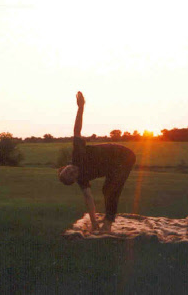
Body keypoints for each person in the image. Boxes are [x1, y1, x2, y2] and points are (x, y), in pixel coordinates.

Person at [58, 92, 136, 232]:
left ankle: (108, 223)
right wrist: (93, 222)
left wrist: (80, 107)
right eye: (70, 175)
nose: (71, 171)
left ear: (66, 165)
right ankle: (107, 218)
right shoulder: (82, 179)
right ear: (74, 179)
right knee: (107, 189)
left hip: (124, 156)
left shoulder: (77, 155)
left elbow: (76, 130)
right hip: (114, 166)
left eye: (67, 169)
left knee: (110, 189)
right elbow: (88, 198)